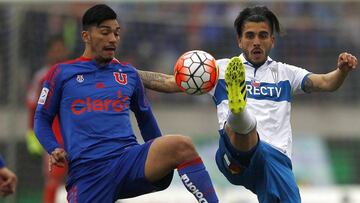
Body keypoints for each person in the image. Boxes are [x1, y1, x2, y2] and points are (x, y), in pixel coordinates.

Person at [137, 5, 358, 202]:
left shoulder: (286, 73)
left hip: (274, 164)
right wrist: (128, 72)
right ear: (239, 40)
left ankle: (240, 113)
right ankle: (239, 110)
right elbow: (168, 82)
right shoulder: (219, 69)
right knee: (246, 127)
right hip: (234, 156)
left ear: (272, 39)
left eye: (263, 35)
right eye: (250, 35)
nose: (256, 42)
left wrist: (342, 71)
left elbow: (327, 83)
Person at [34, 4, 218, 203]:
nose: (113, 39)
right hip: (88, 173)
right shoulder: (61, 73)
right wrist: (53, 147)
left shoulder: (128, 73)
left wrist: (158, 149)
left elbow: (145, 118)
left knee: (180, 146)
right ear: (86, 36)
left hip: (128, 161)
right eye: (105, 32)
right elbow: (41, 119)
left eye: (116, 33)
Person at [26, 36, 69, 203]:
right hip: (53, 138)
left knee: (81, 178)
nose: (58, 53)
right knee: (53, 180)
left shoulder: (74, 74)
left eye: (61, 49)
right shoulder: (41, 77)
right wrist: (32, 135)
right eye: (55, 49)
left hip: (75, 136)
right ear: (48, 52)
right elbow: (32, 107)